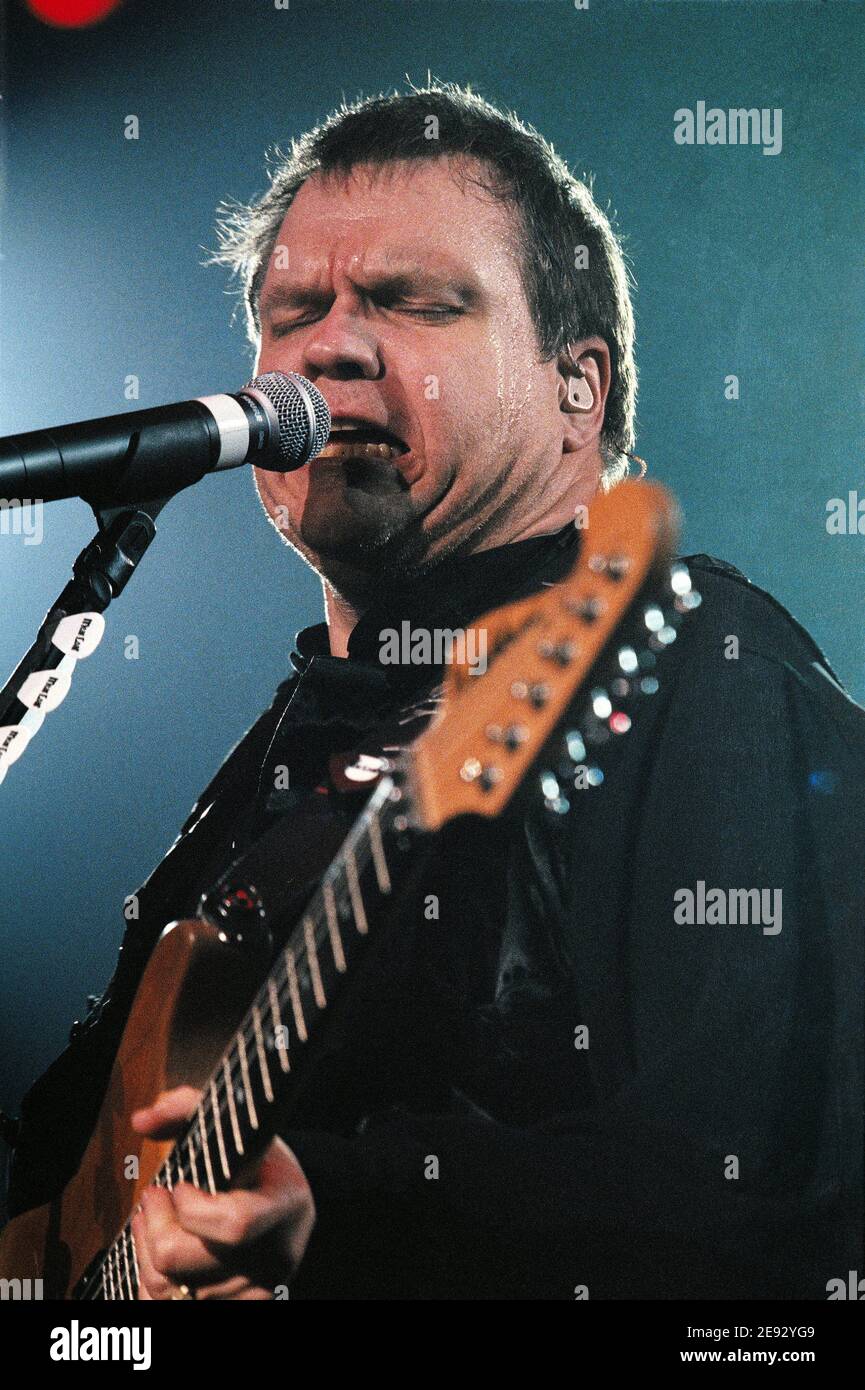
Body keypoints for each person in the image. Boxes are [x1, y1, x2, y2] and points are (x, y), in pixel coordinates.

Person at [5, 83, 864, 1300]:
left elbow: (764, 1188)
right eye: (293, 310)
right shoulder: (280, 761)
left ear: (583, 387)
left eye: (413, 303)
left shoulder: (693, 658)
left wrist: (348, 1208)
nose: (329, 346)